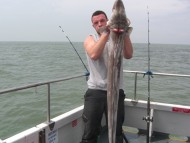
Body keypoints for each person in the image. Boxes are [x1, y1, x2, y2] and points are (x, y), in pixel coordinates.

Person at [80, 10, 133, 143]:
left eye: (102, 21)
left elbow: (129, 54)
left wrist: (124, 30)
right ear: (93, 26)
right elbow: (94, 54)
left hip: (116, 91)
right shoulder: (90, 39)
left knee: (116, 131)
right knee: (90, 131)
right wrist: (106, 32)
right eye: (96, 23)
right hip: (95, 91)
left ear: (108, 20)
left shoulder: (118, 37)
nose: (99, 24)